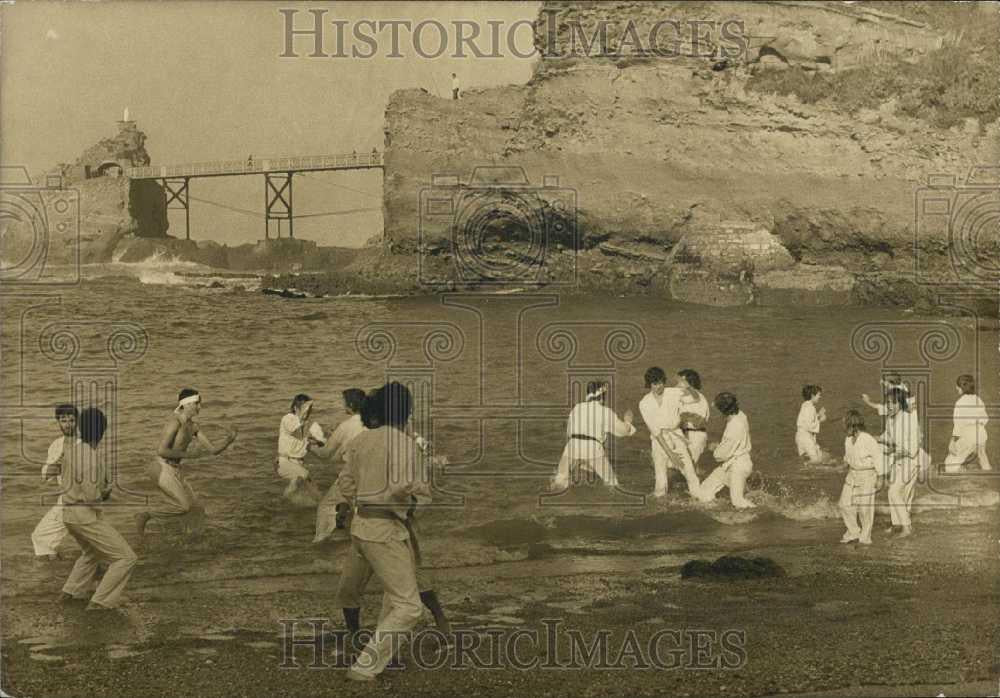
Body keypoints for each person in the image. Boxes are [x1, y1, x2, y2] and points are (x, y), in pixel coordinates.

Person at [333, 382, 435, 682]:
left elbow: (346, 485)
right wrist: (415, 503)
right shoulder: (405, 443)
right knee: (409, 606)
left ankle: (379, 656)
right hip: (385, 530)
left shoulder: (362, 440)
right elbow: (403, 489)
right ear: (406, 411)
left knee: (396, 596)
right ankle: (364, 668)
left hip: (361, 527)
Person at [60, 407, 138, 610]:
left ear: (80, 428)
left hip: (68, 514)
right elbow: (91, 497)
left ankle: (70, 593)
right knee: (126, 558)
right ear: (102, 431)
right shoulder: (91, 459)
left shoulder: (74, 450)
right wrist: (105, 494)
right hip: (83, 515)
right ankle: (100, 602)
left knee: (92, 553)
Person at [134, 388, 237, 542]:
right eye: (197, 403)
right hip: (161, 467)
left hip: (175, 470)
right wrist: (189, 455)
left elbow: (213, 450)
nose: (200, 407)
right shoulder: (174, 422)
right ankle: (146, 514)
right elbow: (161, 450)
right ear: (186, 404)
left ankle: (190, 538)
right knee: (183, 506)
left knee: (197, 509)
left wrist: (229, 440)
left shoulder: (193, 427)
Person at [551, 381, 636, 490]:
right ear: (602, 397)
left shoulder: (577, 408)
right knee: (613, 484)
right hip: (593, 450)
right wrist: (627, 421)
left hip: (571, 447)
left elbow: (569, 432)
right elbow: (623, 431)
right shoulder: (605, 411)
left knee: (559, 481)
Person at [638, 367, 703, 499]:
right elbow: (656, 432)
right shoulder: (644, 403)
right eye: (655, 384)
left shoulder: (673, 392)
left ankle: (701, 500)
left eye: (661, 382)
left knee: (690, 473)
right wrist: (671, 454)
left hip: (677, 436)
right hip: (659, 441)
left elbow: (695, 398)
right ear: (649, 384)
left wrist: (687, 386)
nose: (659, 386)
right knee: (661, 482)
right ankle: (659, 507)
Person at [314, 388, 368, 544]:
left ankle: (321, 543)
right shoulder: (371, 423)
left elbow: (325, 454)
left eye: (344, 401)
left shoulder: (345, 426)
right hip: (370, 474)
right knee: (359, 511)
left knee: (325, 507)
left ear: (350, 404)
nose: (342, 404)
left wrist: (309, 446)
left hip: (350, 476)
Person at [31, 404, 78, 560]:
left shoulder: (83, 443)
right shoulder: (56, 444)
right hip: (66, 498)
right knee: (42, 538)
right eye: (63, 420)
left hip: (79, 498)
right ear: (58, 422)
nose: (67, 424)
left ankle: (53, 573)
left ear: (77, 422)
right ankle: (58, 570)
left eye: (71, 420)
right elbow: (46, 476)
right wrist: (60, 461)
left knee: (42, 538)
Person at [880, 387, 927, 538]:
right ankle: (898, 525)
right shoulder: (890, 419)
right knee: (899, 494)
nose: (890, 406)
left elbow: (914, 447)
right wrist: (877, 440)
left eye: (893, 403)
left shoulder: (908, 419)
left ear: (900, 403)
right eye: (887, 403)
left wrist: (896, 451)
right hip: (898, 460)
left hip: (912, 461)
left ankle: (907, 528)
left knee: (894, 492)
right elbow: (889, 438)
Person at [700, 392, 756, 509]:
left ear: (723, 411)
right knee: (705, 489)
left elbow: (720, 456)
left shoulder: (733, 427)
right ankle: (715, 510)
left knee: (738, 501)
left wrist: (715, 448)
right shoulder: (741, 415)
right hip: (734, 463)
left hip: (738, 466)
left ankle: (763, 514)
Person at [839, 409, 882, 545]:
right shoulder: (848, 440)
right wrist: (844, 463)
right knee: (844, 504)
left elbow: (878, 458)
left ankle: (865, 538)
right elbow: (848, 457)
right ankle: (853, 532)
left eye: (846, 426)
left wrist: (881, 478)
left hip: (868, 475)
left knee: (864, 509)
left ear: (854, 426)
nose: (844, 429)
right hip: (852, 474)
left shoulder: (867, 439)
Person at [276, 393, 325, 503]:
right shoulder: (288, 419)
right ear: (295, 408)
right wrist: (311, 439)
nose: (308, 412)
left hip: (299, 463)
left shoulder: (312, 424)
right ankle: (321, 502)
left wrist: (319, 441)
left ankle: (281, 506)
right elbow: (298, 433)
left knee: (294, 491)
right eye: (305, 409)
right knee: (305, 475)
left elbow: (322, 443)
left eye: (310, 409)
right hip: (284, 461)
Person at [944, 374, 991, 472]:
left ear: (962, 387)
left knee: (948, 466)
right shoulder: (978, 399)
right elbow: (985, 418)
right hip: (982, 434)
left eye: (957, 386)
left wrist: (952, 442)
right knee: (982, 455)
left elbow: (958, 426)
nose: (956, 388)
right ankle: (987, 468)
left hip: (969, 436)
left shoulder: (960, 403)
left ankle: (957, 467)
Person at [677, 369, 710, 463]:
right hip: (683, 435)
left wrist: (684, 417)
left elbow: (700, 422)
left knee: (688, 467)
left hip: (695, 437)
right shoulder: (681, 398)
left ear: (690, 383)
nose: (678, 384)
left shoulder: (700, 400)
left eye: (681, 382)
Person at [796, 384, 828, 463]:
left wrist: (818, 415)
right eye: (819, 395)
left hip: (801, 436)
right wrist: (821, 420)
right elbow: (809, 426)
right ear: (812, 395)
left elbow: (807, 420)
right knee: (816, 460)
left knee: (815, 456)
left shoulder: (805, 405)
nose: (820, 397)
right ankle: (806, 465)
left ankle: (804, 465)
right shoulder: (810, 408)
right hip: (805, 437)